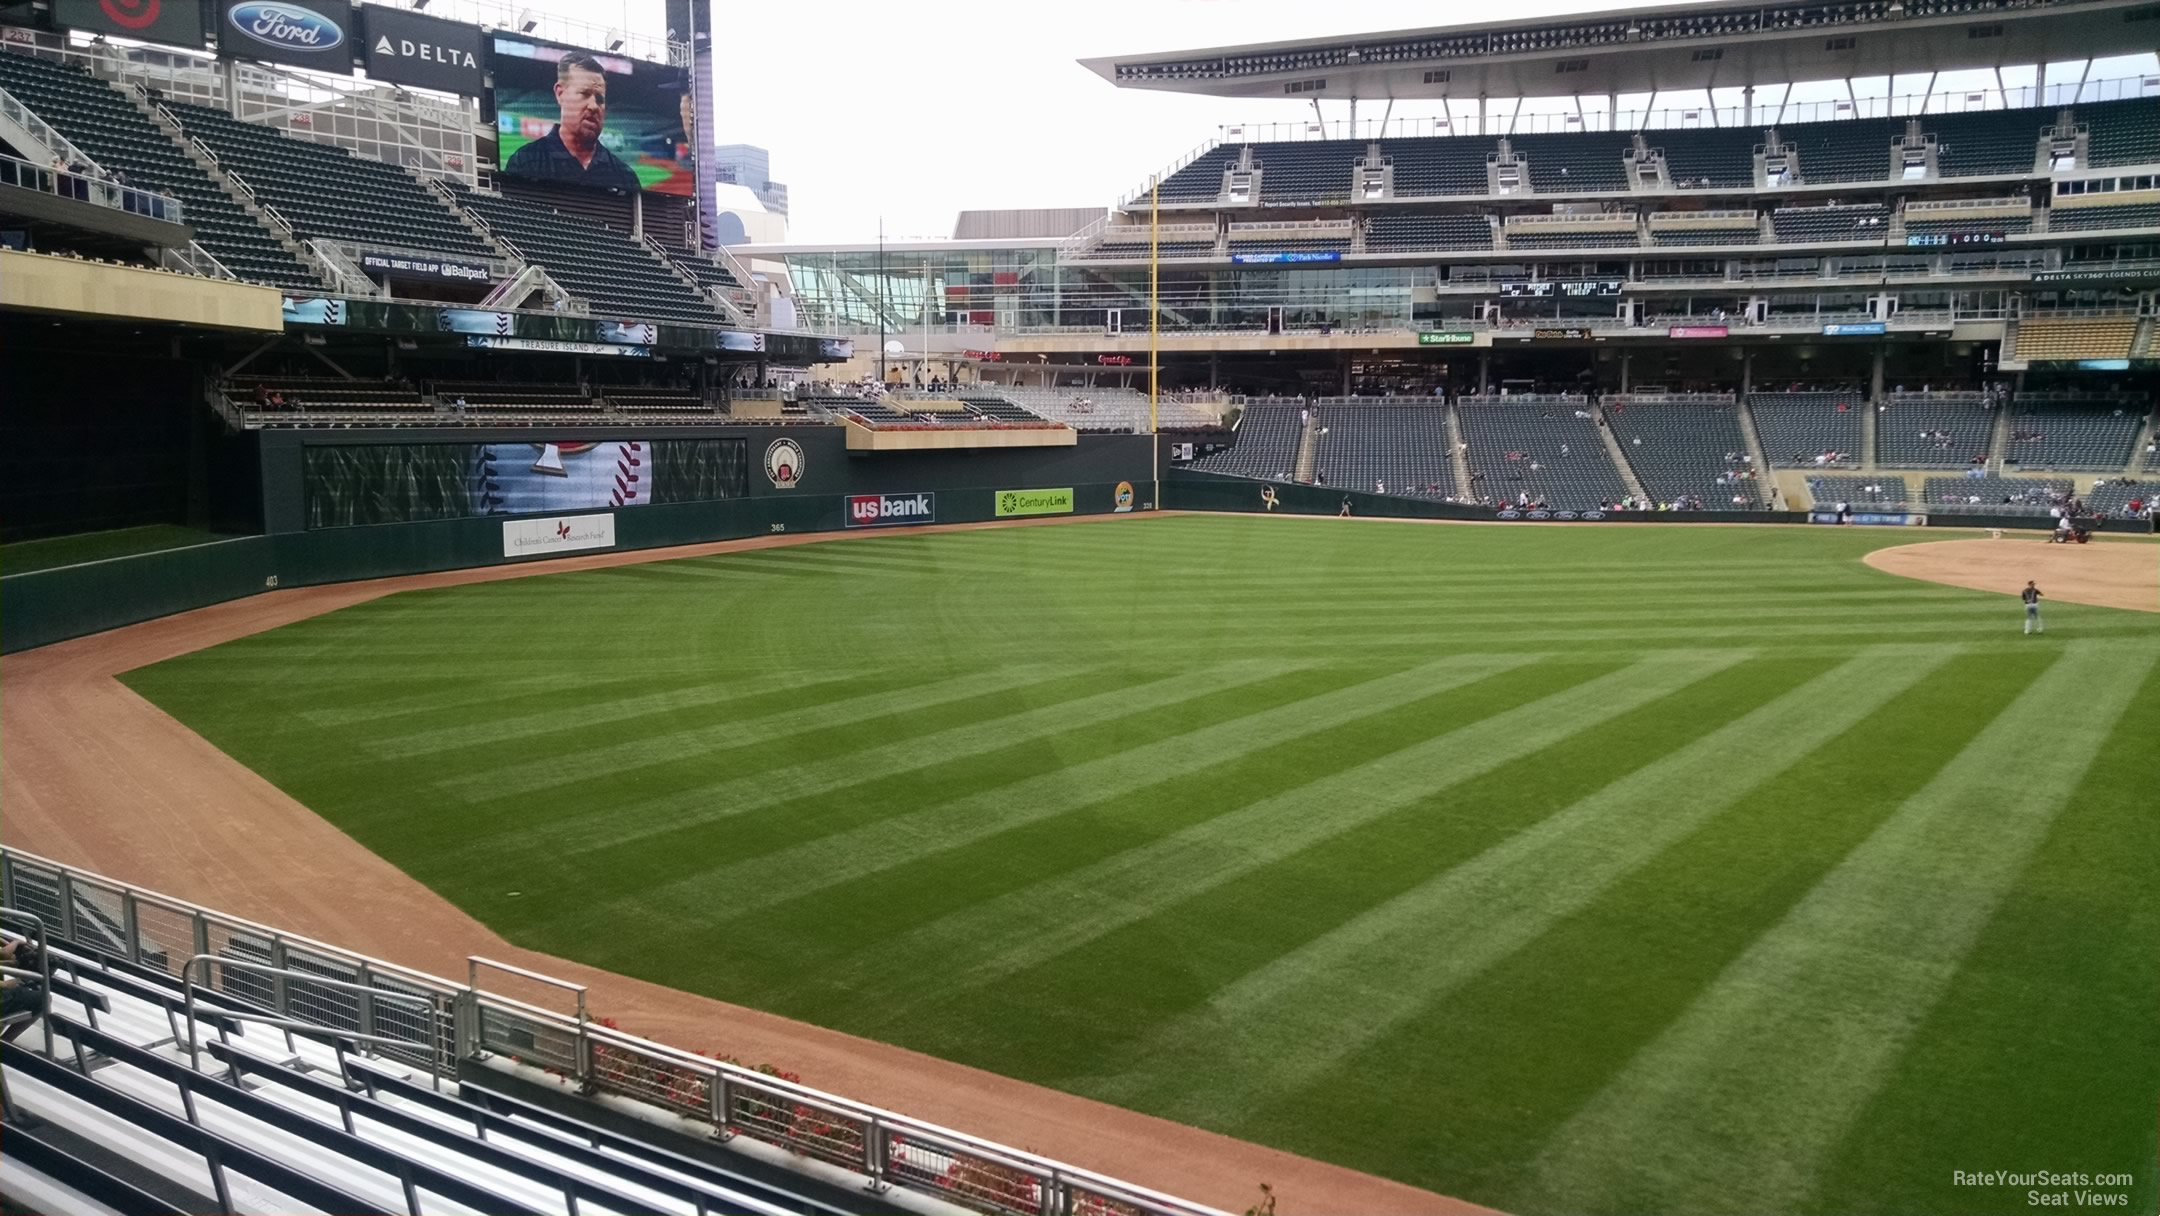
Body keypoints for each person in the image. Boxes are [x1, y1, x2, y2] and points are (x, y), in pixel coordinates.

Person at [502, 53, 642, 193]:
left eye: (600, 99)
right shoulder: (526, 161)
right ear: (560, 93)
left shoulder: (625, 176)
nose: (593, 106)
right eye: (584, 94)